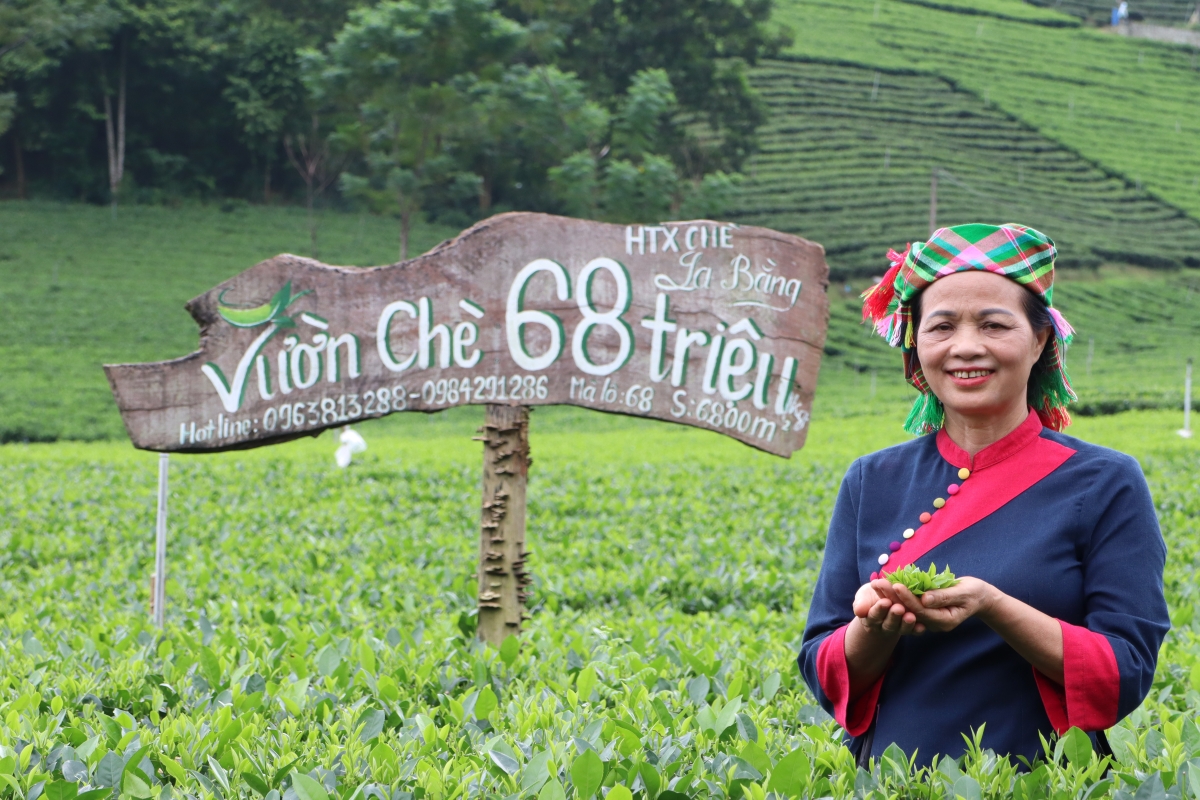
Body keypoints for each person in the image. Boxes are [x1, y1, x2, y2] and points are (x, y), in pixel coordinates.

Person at [798, 223, 1169, 767]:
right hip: (894, 779)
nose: (966, 347)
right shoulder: (871, 480)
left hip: (1041, 779)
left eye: (994, 325)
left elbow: (1123, 674)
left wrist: (994, 607)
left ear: (1041, 339)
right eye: (941, 326)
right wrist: (873, 626)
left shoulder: (1104, 481)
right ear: (916, 344)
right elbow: (823, 670)